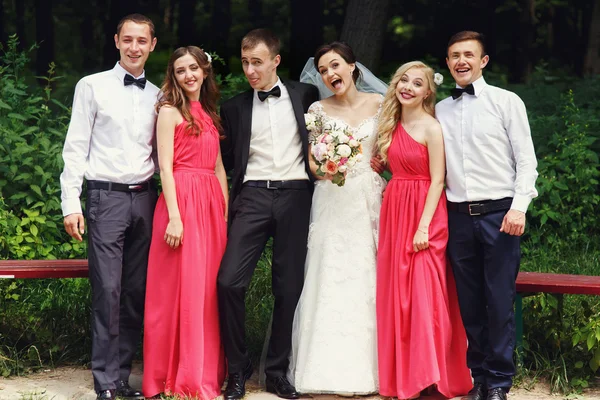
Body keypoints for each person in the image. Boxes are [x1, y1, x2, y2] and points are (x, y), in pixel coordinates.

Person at [59, 14, 159, 400]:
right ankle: (104, 380)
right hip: (105, 198)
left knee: (135, 292)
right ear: (117, 41)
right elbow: (75, 147)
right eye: (128, 39)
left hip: (146, 198)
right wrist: (72, 202)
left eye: (142, 41)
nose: (134, 47)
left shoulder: (158, 95)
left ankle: (121, 376)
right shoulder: (92, 86)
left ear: (152, 45)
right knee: (109, 291)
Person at [217, 29, 319, 400]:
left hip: (296, 194)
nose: (249, 70)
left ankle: (276, 371)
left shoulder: (306, 95)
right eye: (244, 62)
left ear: (276, 61)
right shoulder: (234, 107)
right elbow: (226, 162)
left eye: (256, 62)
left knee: (288, 287)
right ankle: (237, 368)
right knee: (229, 281)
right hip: (253, 196)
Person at [436, 31, 538, 400]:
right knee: (469, 302)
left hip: (500, 213)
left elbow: (526, 159)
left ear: (483, 61)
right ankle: (476, 377)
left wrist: (519, 207)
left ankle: (498, 382)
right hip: (457, 216)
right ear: (447, 63)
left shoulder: (506, 101)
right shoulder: (441, 110)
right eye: (454, 55)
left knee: (498, 301)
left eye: (468, 54)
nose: (461, 61)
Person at [288, 41, 385, 395]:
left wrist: (382, 164)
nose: (330, 75)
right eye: (324, 70)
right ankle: (321, 370)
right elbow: (311, 161)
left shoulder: (380, 103)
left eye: (335, 66)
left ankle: (373, 368)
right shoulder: (317, 108)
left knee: (367, 275)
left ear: (352, 66)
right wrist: (326, 167)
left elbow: (393, 149)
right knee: (328, 272)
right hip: (330, 199)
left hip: (368, 199)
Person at [375, 61, 472, 400]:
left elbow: (438, 180)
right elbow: (387, 166)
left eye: (417, 84)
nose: (408, 87)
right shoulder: (390, 125)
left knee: (425, 294)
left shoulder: (432, 127)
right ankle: (406, 376)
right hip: (395, 209)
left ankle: (432, 378)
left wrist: (423, 226)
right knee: (399, 296)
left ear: (427, 92)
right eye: (404, 80)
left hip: (425, 213)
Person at [142, 46, 227, 399]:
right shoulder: (168, 112)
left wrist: (224, 210)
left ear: (204, 71)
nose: (189, 75)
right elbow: (165, 167)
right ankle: (174, 376)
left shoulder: (208, 112)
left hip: (210, 206)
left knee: (206, 291)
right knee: (178, 289)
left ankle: (205, 369)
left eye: (193, 68)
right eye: (180, 70)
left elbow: (220, 166)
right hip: (181, 203)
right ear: (173, 77)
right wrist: (175, 217)